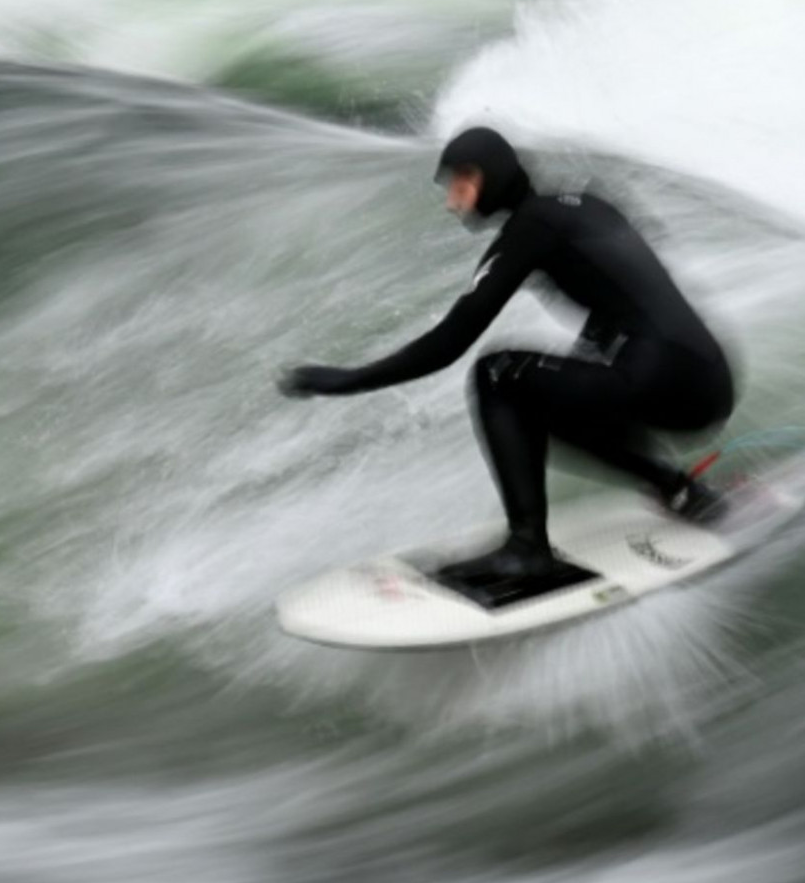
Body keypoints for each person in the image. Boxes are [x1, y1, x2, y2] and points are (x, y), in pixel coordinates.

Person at [281, 127, 735, 581]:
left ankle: (527, 548)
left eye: (458, 186)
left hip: (660, 379)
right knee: (553, 395)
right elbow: (632, 292)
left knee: (496, 374)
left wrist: (346, 380)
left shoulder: (530, 228)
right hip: (709, 381)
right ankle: (679, 489)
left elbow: (449, 344)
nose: (452, 202)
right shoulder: (586, 206)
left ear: (485, 176)